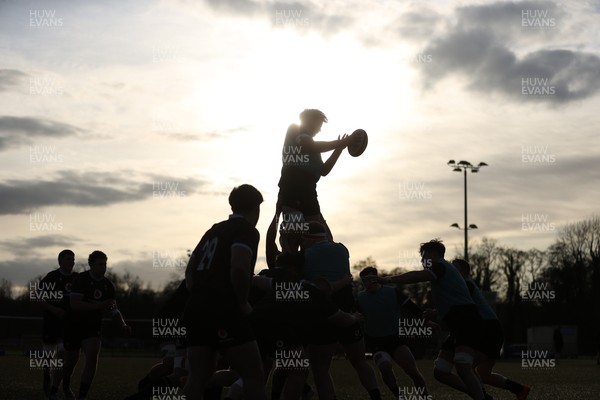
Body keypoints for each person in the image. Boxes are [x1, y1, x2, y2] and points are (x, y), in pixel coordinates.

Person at [182, 184, 267, 400]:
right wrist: (241, 302)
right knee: (254, 375)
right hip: (224, 309)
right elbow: (238, 266)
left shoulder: (213, 230)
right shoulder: (246, 230)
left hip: (196, 307)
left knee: (198, 378)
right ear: (256, 208)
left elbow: (190, 271)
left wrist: (202, 294)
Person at [377, 239, 487, 400]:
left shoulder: (439, 265)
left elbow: (418, 276)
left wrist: (388, 279)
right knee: (441, 371)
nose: (422, 261)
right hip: (460, 323)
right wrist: (435, 314)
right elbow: (453, 304)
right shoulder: (444, 271)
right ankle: (478, 394)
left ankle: (481, 397)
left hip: (467, 321)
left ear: (433, 254)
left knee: (463, 367)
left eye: (423, 256)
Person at [302, 222, 382, 400]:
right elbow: (329, 240)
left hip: (323, 313)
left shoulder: (305, 256)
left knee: (320, 369)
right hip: (349, 308)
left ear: (307, 238)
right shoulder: (341, 249)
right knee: (359, 361)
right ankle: (376, 396)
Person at [430, 259, 530, 400]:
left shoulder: (465, 284)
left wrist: (435, 311)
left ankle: (483, 397)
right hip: (477, 328)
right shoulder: (461, 286)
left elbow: (456, 304)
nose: (451, 271)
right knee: (483, 374)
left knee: (465, 366)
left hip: (486, 329)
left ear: (464, 272)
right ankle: (519, 389)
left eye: (455, 268)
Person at [267, 109, 354, 258]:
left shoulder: (315, 148)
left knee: (322, 238)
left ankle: (310, 272)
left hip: (309, 192)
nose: (319, 129)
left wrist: (339, 149)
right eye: (319, 124)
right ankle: (289, 272)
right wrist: (341, 142)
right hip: (292, 190)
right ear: (308, 120)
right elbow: (309, 146)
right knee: (293, 236)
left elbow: (324, 170)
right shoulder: (295, 129)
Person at [64, 250, 131, 400]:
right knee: (71, 362)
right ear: (91, 265)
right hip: (74, 325)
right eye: (100, 264)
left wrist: (123, 324)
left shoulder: (108, 285)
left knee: (92, 357)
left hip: (92, 327)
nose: (103, 267)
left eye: (105, 264)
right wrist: (99, 306)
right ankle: (65, 385)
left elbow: (114, 309)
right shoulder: (81, 279)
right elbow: (74, 304)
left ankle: (82, 396)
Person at [357, 266, 431, 398]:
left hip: (395, 338)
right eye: (364, 281)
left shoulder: (392, 292)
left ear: (378, 278)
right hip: (375, 341)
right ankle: (399, 395)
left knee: (412, 371)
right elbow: (354, 316)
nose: (368, 283)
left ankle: (425, 396)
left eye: (370, 279)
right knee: (385, 367)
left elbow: (413, 308)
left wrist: (427, 322)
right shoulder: (360, 298)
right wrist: (356, 318)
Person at [40, 249, 78, 400]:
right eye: (68, 259)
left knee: (63, 355)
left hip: (68, 325)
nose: (72, 262)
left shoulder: (77, 278)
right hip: (51, 323)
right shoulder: (52, 277)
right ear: (60, 261)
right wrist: (53, 309)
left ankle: (64, 386)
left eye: (73, 259)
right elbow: (38, 298)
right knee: (49, 357)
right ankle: (46, 375)